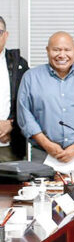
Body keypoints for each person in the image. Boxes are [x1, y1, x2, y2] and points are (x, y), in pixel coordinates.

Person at [17, 32, 74, 170]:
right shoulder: (31, 77)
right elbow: (24, 115)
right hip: (42, 155)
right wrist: (48, 145)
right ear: (47, 50)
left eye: (67, 50)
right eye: (56, 50)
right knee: (42, 191)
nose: (62, 55)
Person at [0, 16, 29, 161]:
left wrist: (11, 124)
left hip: (9, 144)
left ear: (6, 35)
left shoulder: (19, 64)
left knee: (10, 183)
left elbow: (28, 104)